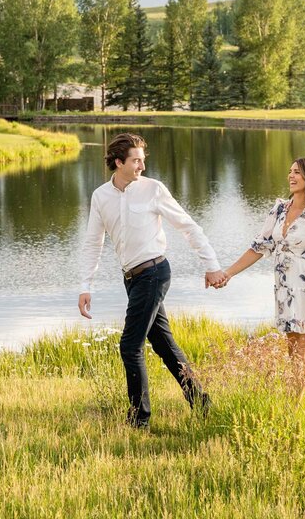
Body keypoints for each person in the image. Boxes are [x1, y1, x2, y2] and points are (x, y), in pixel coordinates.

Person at [78, 132, 228, 428]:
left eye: (142, 160)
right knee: (163, 345)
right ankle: (201, 401)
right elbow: (92, 242)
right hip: (131, 279)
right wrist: (86, 286)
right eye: (136, 161)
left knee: (130, 346)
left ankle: (139, 420)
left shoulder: (153, 189)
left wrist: (211, 265)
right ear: (118, 162)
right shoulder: (100, 196)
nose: (141, 166)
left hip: (155, 273)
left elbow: (189, 227)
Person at [216, 157, 305, 429]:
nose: (291, 175)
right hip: (285, 292)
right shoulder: (280, 209)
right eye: (290, 171)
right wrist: (228, 273)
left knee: (298, 359)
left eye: (297, 172)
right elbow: (258, 248)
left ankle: (288, 420)